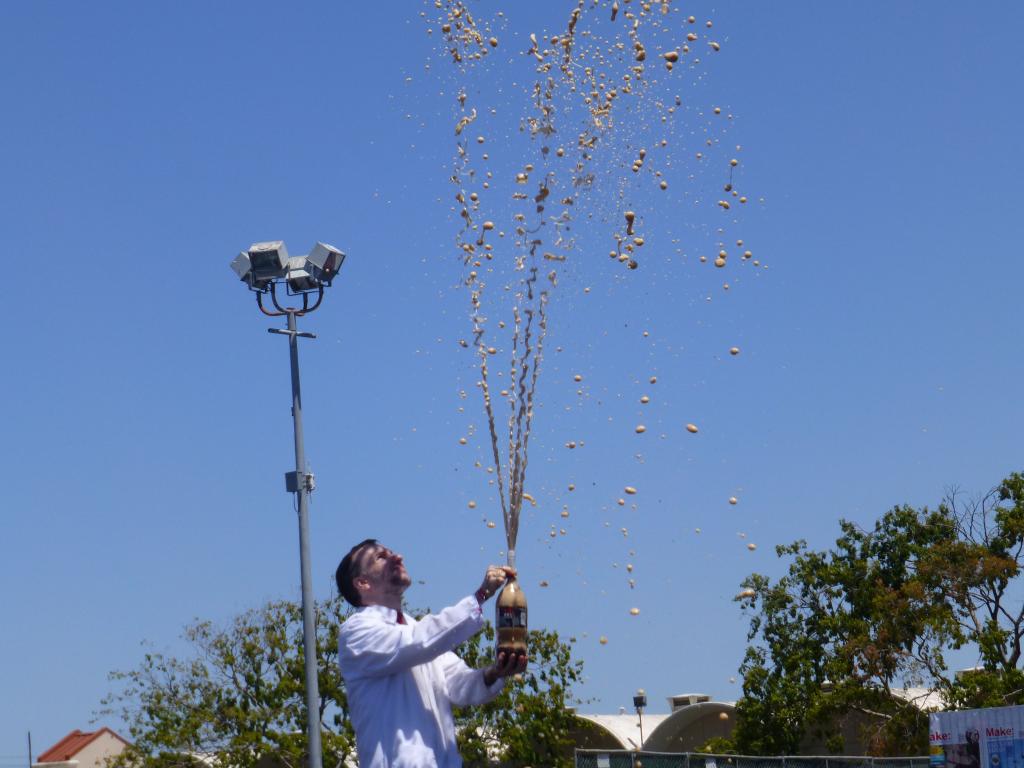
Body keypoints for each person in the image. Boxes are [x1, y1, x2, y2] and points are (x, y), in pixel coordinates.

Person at [336, 538, 527, 768]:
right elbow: (419, 642)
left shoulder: (414, 629)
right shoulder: (357, 632)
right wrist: (480, 596)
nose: (397, 557)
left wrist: (494, 673)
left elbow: (458, 685)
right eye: (381, 557)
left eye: (391, 552)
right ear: (363, 583)